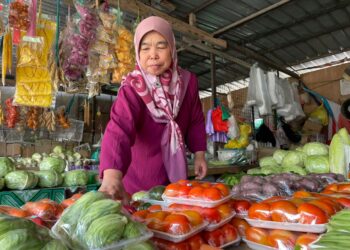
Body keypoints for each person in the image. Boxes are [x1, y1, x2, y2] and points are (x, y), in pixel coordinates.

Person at [98, 16, 207, 202]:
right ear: (137, 52)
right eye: (145, 48)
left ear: (172, 48)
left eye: (161, 46)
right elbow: (119, 128)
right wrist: (112, 176)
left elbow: (196, 119)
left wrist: (199, 155)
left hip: (174, 175)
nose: (153, 55)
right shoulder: (133, 87)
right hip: (139, 177)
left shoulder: (187, 82)